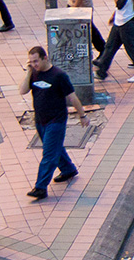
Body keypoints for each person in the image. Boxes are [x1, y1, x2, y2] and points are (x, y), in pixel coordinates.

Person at [21, 47, 89, 200]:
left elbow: (72, 97)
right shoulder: (34, 74)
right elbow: (22, 90)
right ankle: (68, 169)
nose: (34, 64)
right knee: (53, 147)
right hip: (40, 120)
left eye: (36, 61)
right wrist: (28, 72)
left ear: (45, 58)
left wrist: (82, 115)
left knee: (49, 154)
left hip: (56, 121)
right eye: (31, 62)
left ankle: (40, 187)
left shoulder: (59, 76)